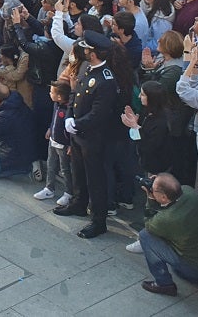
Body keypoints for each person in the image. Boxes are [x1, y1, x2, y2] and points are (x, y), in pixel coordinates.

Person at [60, 30, 124, 239]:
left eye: (87, 49)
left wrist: (77, 124)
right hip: (79, 133)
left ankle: (98, 221)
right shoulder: (88, 69)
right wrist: (70, 116)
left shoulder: (106, 80)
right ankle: (79, 204)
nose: (84, 51)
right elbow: (76, 93)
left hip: (94, 138)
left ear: (93, 53)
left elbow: (99, 113)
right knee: (78, 172)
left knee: (95, 180)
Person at [135, 173, 198, 299]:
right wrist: (161, 182)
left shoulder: (167, 219)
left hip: (196, 266)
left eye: (154, 189)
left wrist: (151, 199)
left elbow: (149, 224)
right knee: (180, 268)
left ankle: (164, 284)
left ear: (163, 197)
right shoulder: (188, 191)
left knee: (145, 236)